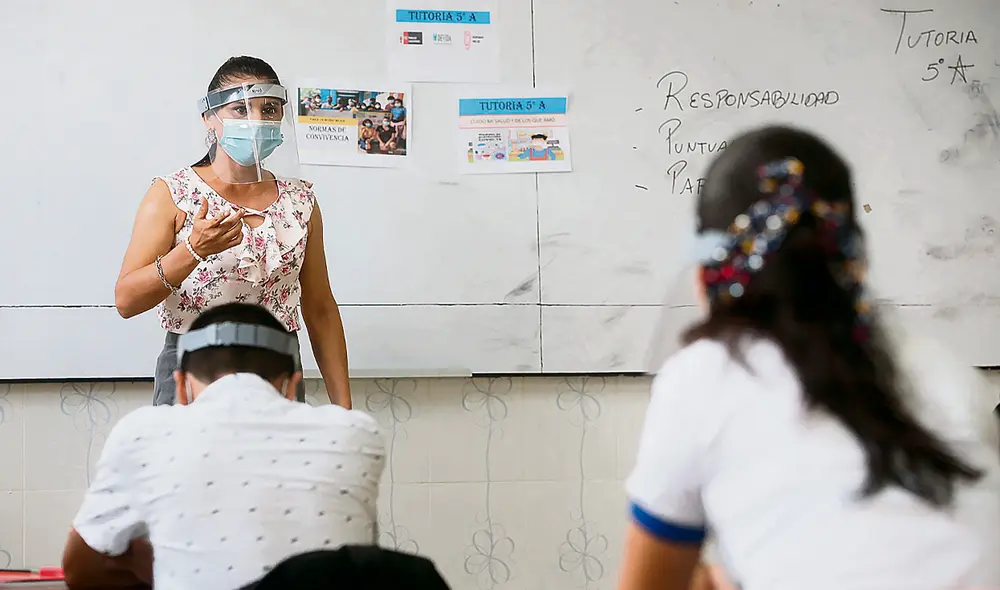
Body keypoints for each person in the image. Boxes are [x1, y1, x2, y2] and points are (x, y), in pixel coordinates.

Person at [618, 126, 1000, 590]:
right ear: (856, 262)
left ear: (705, 276)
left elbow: (650, 584)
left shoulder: (702, 377)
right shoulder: (947, 371)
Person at [62, 303, 386, 590]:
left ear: (181, 387)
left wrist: (157, 562)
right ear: (292, 386)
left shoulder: (142, 433)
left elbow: (80, 571)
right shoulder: (356, 432)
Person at [114, 56, 352, 407]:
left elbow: (320, 308)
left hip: (278, 371)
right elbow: (126, 300)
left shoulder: (300, 200)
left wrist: (343, 411)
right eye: (240, 109)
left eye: (269, 109)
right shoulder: (174, 194)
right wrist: (193, 250)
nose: (257, 120)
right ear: (210, 119)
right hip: (195, 370)